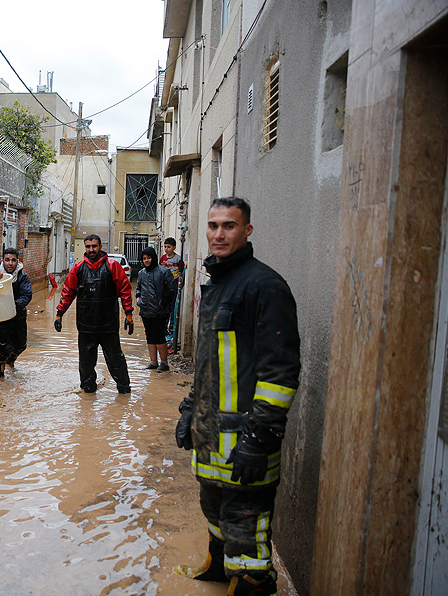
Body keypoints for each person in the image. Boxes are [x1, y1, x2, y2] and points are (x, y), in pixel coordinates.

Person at [174, 198, 300, 596]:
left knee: (247, 523)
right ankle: (218, 567)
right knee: (213, 509)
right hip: (211, 436)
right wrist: (190, 409)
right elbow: (209, 363)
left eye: (229, 226)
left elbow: (280, 373)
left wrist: (259, 438)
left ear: (247, 231)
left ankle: (252, 584)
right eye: (213, 225)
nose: (219, 234)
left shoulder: (265, 286)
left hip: (246, 440)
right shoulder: (219, 283)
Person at [54, 235, 134, 394]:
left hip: (108, 325)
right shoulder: (78, 268)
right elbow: (68, 292)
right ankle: (88, 392)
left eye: (94, 246)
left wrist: (129, 314)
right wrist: (59, 313)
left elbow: (125, 290)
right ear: (85, 247)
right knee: (86, 362)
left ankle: (124, 389)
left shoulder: (113, 266)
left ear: (100, 247)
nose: (91, 250)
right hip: (86, 325)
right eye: (88, 246)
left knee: (116, 359)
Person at [0, 247, 33, 377]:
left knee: (21, 345)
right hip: (0, 316)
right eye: (7, 260)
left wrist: (11, 306)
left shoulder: (22, 276)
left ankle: (10, 361)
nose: (10, 263)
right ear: (3, 261)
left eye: (13, 260)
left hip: (18, 316)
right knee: (1, 345)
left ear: (18, 261)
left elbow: (27, 295)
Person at [135, 246, 175, 372]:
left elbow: (171, 289)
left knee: (159, 336)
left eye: (149, 258)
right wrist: (138, 299)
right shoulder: (141, 273)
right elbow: (138, 288)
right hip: (145, 310)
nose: (146, 261)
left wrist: (162, 304)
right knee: (149, 336)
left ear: (154, 258)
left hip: (159, 312)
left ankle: (164, 363)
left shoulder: (163, 272)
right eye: (144, 258)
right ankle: (153, 362)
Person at [160, 237, 185, 334]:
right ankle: (164, 329)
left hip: (174, 288)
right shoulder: (162, 259)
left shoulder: (178, 259)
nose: (166, 249)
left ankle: (172, 329)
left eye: (169, 247)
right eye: (165, 247)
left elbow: (182, 274)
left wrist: (180, 287)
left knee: (173, 309)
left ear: (174, 248)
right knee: (164, 308)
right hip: (164, 289)